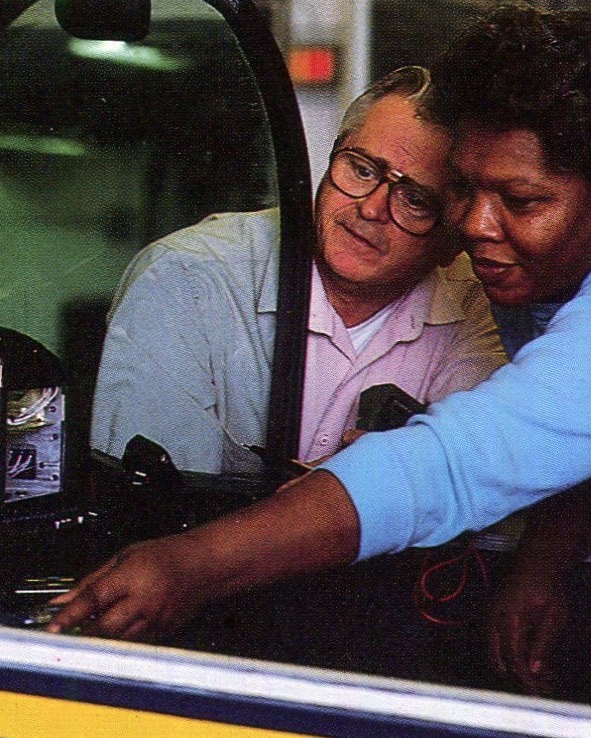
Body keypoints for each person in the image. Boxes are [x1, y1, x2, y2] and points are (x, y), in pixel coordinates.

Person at [50, 2, 591, 706]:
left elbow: (450, 466)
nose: (474, 226)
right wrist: (544, 556)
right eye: (465, 187)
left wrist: (194, 564)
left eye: (520, 199)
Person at [91, 66, 505, 474]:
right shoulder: (187, 278)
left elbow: (470, 490)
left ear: (454, 241)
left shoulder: (480, 306)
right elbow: (157, 510)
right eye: (361, 169)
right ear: (328, 159)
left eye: (415, 200)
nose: (371, 209)